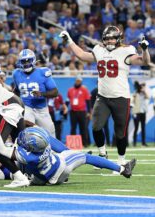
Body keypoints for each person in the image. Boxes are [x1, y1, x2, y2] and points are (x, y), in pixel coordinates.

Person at [59, 26, 151, 165]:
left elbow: (144, 61)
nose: (109, 41)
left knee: (120, 132)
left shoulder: (126, 50)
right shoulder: (99, 50)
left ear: (118, 38)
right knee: (96, 126)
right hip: (102, 97)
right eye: (107, 38)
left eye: (112, 38)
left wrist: (144, 50)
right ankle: (103, 153)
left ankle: (121, 160)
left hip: (121, 97)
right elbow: (82, 55)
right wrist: (69, 40)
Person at [0, 117, 137, 185]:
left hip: (42, 179)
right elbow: (41, 136)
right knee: (84, 157)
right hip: (60, 166)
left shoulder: (27, 155)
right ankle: (122, 169)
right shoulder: (43, 143)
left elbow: (0, 149)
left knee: (19, 164)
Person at [12, 49, 58, 136]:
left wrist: (42, 94)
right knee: (28, 131)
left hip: (41, 109)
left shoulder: (43, 72)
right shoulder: (16, 74)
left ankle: (52, 149)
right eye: (23, 61)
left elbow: (55, 92)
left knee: (50, 133)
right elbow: (17, 90)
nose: (26, 63)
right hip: (26, 107)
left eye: (28, 61)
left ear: (33, 60)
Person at [67, 76, 91, 147]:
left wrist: (89, 112)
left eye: (79, 81)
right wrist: (65, 107)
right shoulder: (70, 90)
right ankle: (72, 144)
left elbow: (88, 101)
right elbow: (68, 100)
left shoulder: (84, 90)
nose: (78, 82)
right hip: (73, 111)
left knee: (83, 128)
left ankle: (84, 143)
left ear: (81, 82)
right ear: (75, 81)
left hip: (82, 111)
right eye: (77, 81)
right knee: (73, 128)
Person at [131, 81, 149, 147]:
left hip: (143, 112)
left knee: (143, 128)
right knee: (136, 128)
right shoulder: (135, 93)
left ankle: (143, 143)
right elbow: (133, 101)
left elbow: (148, 97)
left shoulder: (144, 94)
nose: (142, 88)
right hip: (137, 112)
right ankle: (134, 143)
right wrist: (136, 94)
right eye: (141, 87)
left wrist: (144, 91)